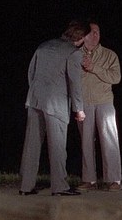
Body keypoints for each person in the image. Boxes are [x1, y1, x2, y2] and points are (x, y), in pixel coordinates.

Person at [19, 20, 89, 196]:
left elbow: (31, 72)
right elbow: (74, 83)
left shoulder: (44, 46)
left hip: (35, 99)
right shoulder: (74, 53)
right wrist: (79, 109)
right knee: (57, 146)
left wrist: (35, 92)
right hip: (56, 104)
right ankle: (59, 186)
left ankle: (25, 186)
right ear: (80, 37)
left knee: (32, 145)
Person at [77, 21, 122, 191]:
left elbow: (116, 78)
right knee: (86, 142)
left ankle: (114, 180)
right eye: (92, 32)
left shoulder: (109, 55)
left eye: (98, 32)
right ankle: (89, 180)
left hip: (104, 102)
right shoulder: (75, 54)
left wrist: (94, 67)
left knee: (109, 139)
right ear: (84, 35)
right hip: (83, 103)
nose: (96, 35)